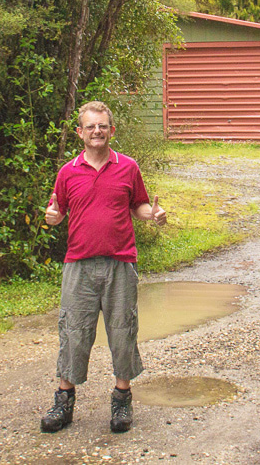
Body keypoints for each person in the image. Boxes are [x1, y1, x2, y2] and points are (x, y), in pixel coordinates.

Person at [40, 101, 167, 433]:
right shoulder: (67, 172)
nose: (97, 131)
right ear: (80, 132)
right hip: (78, 265)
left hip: (120, 263)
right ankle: (64, 403)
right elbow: (58, 211)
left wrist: (152, 215)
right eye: (90, 126)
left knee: (123, 331)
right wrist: (52, 218)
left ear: (112, 130)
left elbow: (138, 205)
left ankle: (122, 400)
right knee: (73, 333)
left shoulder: (128, 168)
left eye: (103, 126)